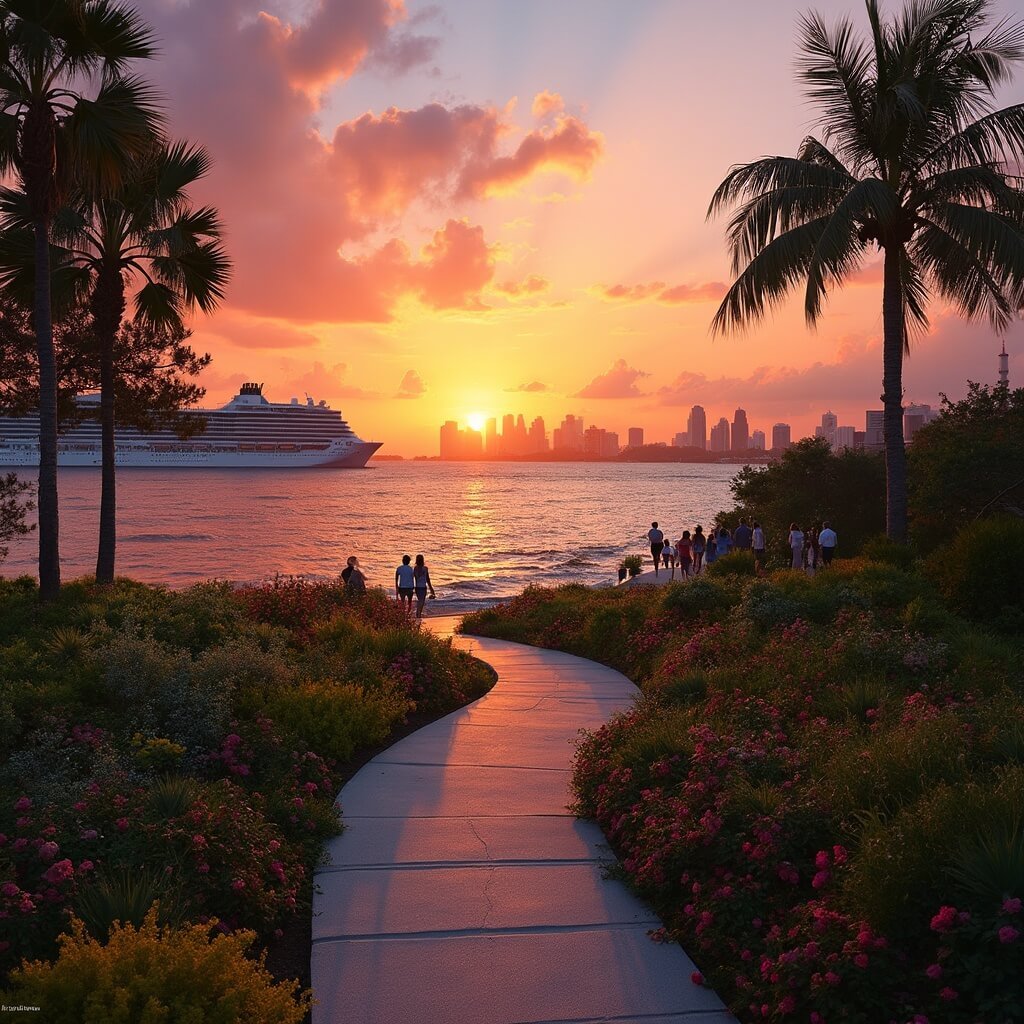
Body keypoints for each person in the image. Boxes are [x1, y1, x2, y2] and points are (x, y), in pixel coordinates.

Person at [412, 554, 436, 618]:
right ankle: (418, 614)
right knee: (421, 601)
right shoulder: (425, 568)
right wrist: (431, 588)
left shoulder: (415, 568)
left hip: (417, 588)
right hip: (423, 587)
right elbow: (428, 579)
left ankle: (418, 614)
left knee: (420, 601)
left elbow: (414, 577)